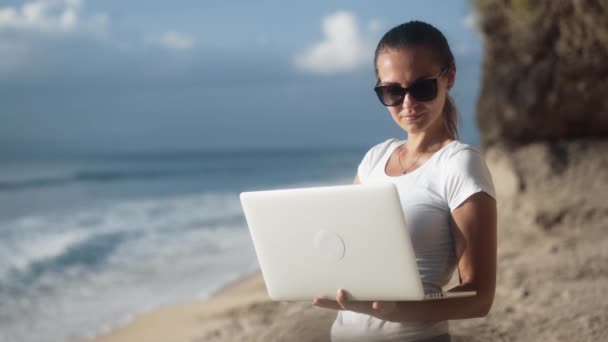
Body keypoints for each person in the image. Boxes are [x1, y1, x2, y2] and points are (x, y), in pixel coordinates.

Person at [311, 21, 497, 342]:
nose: (408, 103)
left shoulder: (459, 164)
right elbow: (346, 247)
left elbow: (478, 298)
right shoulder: (375, 159)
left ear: (449, 77)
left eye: (422, 87)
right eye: (393, 91)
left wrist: (398, 311)